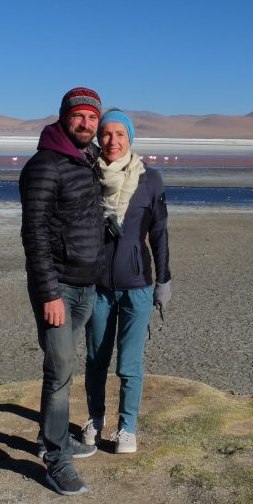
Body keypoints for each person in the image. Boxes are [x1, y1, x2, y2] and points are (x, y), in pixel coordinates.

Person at [19, 87, 106, 495]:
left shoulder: (86, 162)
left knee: (64, 369)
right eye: (80, 117)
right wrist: (49, 294)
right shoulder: (44, 165)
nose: (86, 124)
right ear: (63, 118)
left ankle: (48, 436)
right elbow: (34, 236)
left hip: (86, 286)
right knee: (58, 372)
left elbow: (85, 222)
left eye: (93, 118)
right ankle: (56, 460)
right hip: (59, 290)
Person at [81, 109, 171, 454]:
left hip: (138, 285)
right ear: (97, 138)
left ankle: (127, 428)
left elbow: (160, 233)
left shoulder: (150, 179)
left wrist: (164, 279)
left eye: (120, 134)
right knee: (95, 359)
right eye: (105, 134)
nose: (112, 141)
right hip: (96, 286)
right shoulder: (87, 176)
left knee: (129, 363)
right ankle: (95, 419)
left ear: (130, 138)